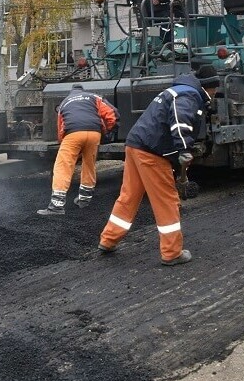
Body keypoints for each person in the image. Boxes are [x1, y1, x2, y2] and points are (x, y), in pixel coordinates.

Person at [97, 64, 220, 266]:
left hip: (135, 145)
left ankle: (108, 240)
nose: (215, 93)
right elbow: (180, 123)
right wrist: (184, 149)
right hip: (152, 152)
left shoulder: (177, 90)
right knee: (166, 200)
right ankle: (172, 252)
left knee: (129, 196)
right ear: (209, 87)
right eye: (215, 89)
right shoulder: (189, 95)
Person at [37, 84, 119, 216]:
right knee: (89, 164)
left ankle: (57, 206)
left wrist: (64, 142)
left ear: (71, 92)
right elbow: (112, 114)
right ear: (83, 91)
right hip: (94, 133)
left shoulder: (65, 102)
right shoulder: (94, 97)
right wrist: (107, 132)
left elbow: (61, 127)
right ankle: (84, 200)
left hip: (73, 132)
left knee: (63, 166)